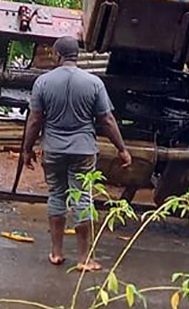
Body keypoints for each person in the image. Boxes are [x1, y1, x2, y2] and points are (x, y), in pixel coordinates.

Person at [23, 36, 131, 271]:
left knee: (56, 195)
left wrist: (27, 149)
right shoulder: (93, 83)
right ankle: (84, 259)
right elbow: (107, 119)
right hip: (83, 150)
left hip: (52, 149)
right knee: (82, 197)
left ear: (56, 54)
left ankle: (56, 253)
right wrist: (122, 149)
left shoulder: (42, 82)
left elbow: (35, 120)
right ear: (77, 56)